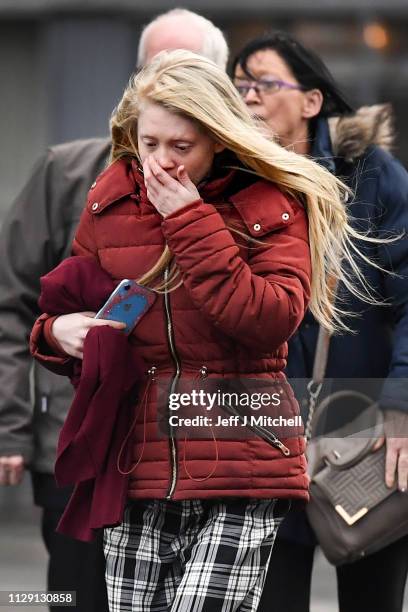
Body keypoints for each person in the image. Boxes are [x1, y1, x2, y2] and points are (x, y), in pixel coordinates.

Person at [30, 48, 389, 612]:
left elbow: (270, 319)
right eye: (150, 143)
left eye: (182, 146)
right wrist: (57, 334)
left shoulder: (270, 203)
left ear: (219, 138)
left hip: (241, 454)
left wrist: (190, 219)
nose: (162, 162)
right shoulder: (108, 200)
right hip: (135, 462)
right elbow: (70, 311)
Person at [0, 9, 228, 612]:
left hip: (200, 445)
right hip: (76, 438)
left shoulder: (247, 189)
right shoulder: (69, 171)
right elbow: (13, 305)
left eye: (190, 72)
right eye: (157, 71)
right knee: (76, 598)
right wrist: (9, 425)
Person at [232, 32, 408, 612]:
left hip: (366, 424)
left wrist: (401, 405)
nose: (248, 96)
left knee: (372, 591)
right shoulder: (228, 179)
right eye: (238, 86)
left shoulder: (371, 175)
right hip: (261, 427)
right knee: (271, 597)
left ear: (311, 101)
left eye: (263, 82)